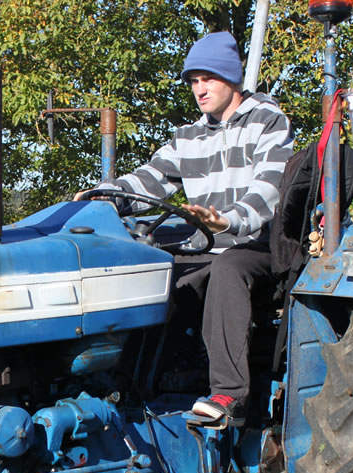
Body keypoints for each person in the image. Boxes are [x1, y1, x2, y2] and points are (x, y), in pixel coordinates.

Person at [77, 31, 293, 426]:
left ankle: (231, 394)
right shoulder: (188, 136)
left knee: (229, 268)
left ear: (230, 78)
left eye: (208, 78)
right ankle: (131, 387)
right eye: (193, 81)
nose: (200, 89)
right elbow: (149, 179)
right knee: (154, 269)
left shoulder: (267, 122)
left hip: (255, 244)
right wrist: (104, 195)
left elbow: (270, 190)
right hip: (206, 246)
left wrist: (228, 219)